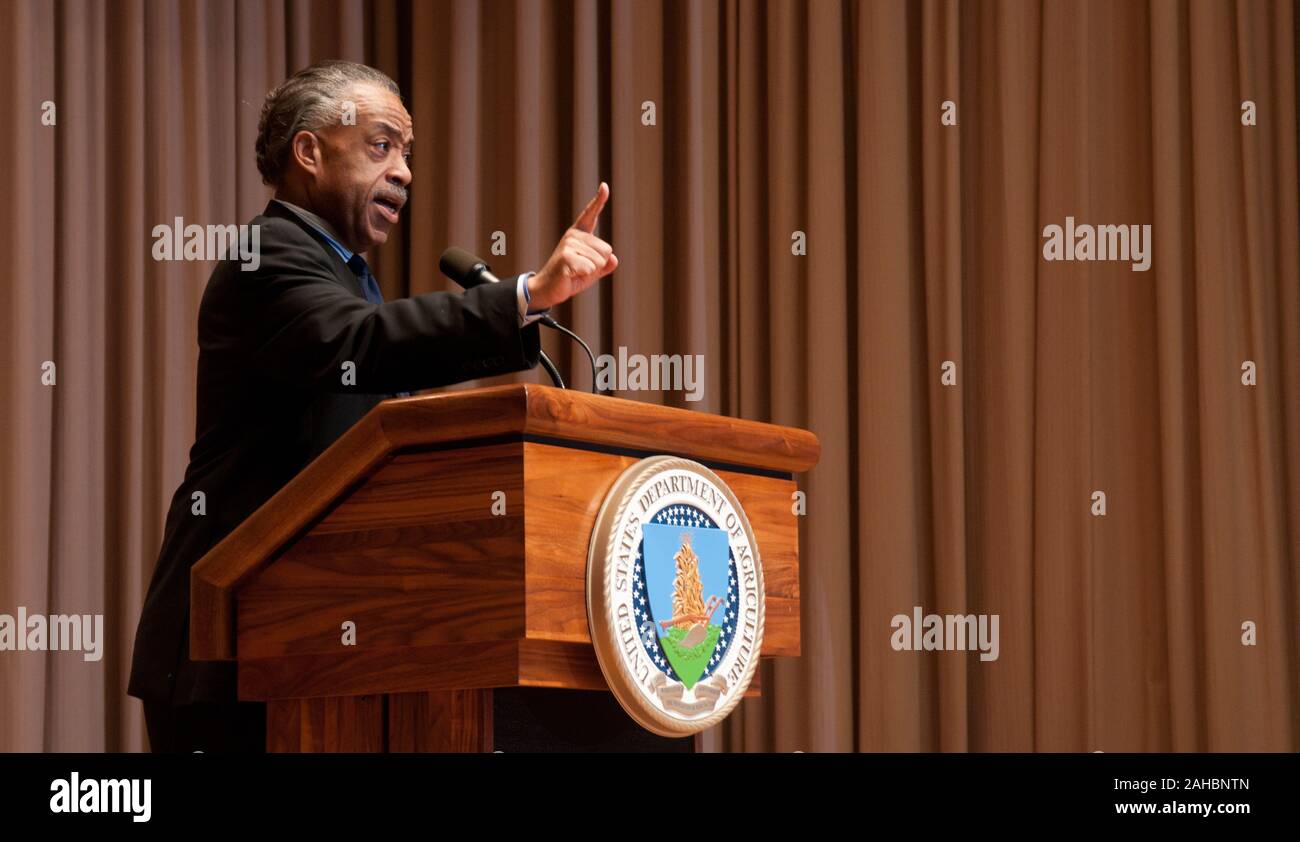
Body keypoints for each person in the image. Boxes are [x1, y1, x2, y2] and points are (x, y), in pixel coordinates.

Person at [127, 60, 617, 752]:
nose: (406, 172)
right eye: (382, 145)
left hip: (311, 639)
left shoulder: (342, 276)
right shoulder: (267, 257)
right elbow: (362, 343)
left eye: (408, 153)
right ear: (309, 152)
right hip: (228, 642)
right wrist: (525, 295)